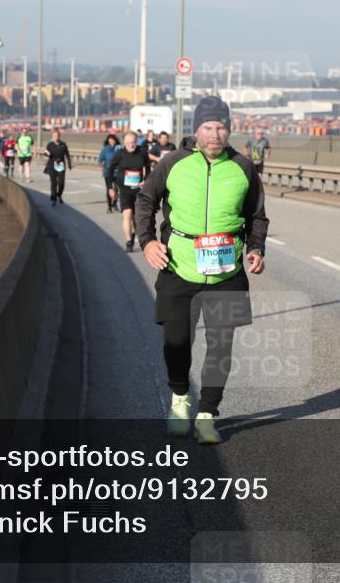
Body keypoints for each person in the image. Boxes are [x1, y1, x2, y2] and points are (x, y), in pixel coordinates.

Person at [135, 96, 268, 444]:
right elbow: (146, 200)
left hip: (226, 272)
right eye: (208, 127)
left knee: (221, 344)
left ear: (230, 129)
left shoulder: (243, 167)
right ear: (196, 130)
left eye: (222, 126)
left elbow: (257, 216)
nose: (215, 134)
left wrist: (255, 248)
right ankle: (180, 398)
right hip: (179, 265)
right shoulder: (173, 162)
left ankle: (208, 413)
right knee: (177, 341)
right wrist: (148, 240)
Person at [109, 132, 151, 249]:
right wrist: (110, 187)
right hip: (125, 189)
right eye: (128, 143)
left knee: (136, 217)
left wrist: (146, 180)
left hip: (138, 189)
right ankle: (129, 242)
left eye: (133, 143)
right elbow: (110, 170)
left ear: (136, 141)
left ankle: (132, 234)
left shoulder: (142, 153)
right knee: (127, 215)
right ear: (124, 142)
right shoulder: (120, 154)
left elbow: (148, 168)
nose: (131, 145)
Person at [43, 128, 72, 205]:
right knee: (54, 183)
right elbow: (45, 152)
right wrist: (47, 154)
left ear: (59, 136)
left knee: (61, 183)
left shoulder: (63, 144)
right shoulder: (50, 144)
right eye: (54, 135)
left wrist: (69, 165)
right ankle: (53, 198)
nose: (55, 137)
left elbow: (67, 155)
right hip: (52, 165)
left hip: (61, 165)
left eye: (57, 135)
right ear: (52, 136)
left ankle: (59, 195)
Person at [97, 134, 121, 213]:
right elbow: (100, 161)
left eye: (113, 140)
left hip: (118, 172)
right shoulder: (105, 149)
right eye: (110, 140)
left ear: (115, 140)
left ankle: (114, 204)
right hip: (108, 173)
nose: (111, 142)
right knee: (109, 189)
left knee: (117, 189)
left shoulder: (119, 148)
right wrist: (103, 167)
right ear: (108, 141)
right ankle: (109, 207)